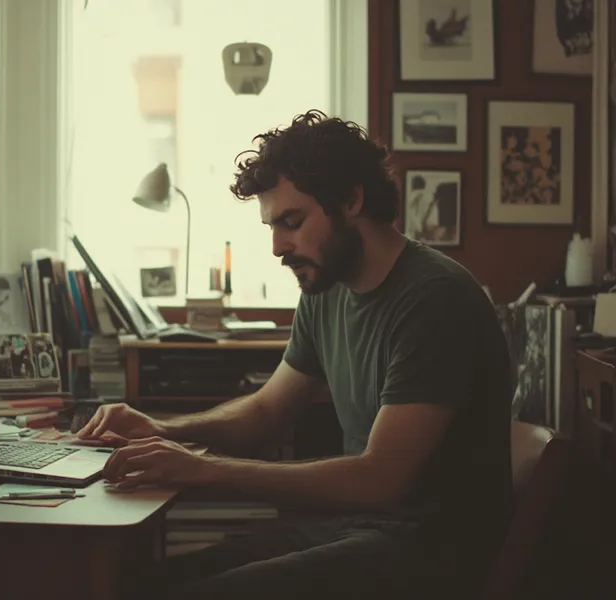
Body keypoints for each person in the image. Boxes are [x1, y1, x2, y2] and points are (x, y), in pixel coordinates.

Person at [77, 110, 513, 600]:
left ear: (351, 200)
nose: (278, 247)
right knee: (143, 583)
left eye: (292, 221)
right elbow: (266, 411)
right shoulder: (325, 288)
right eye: (273, 226)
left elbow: (381, 479)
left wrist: (203, 469)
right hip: (361, 528)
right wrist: (163, 431)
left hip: (431, 552)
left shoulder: (434, 297)